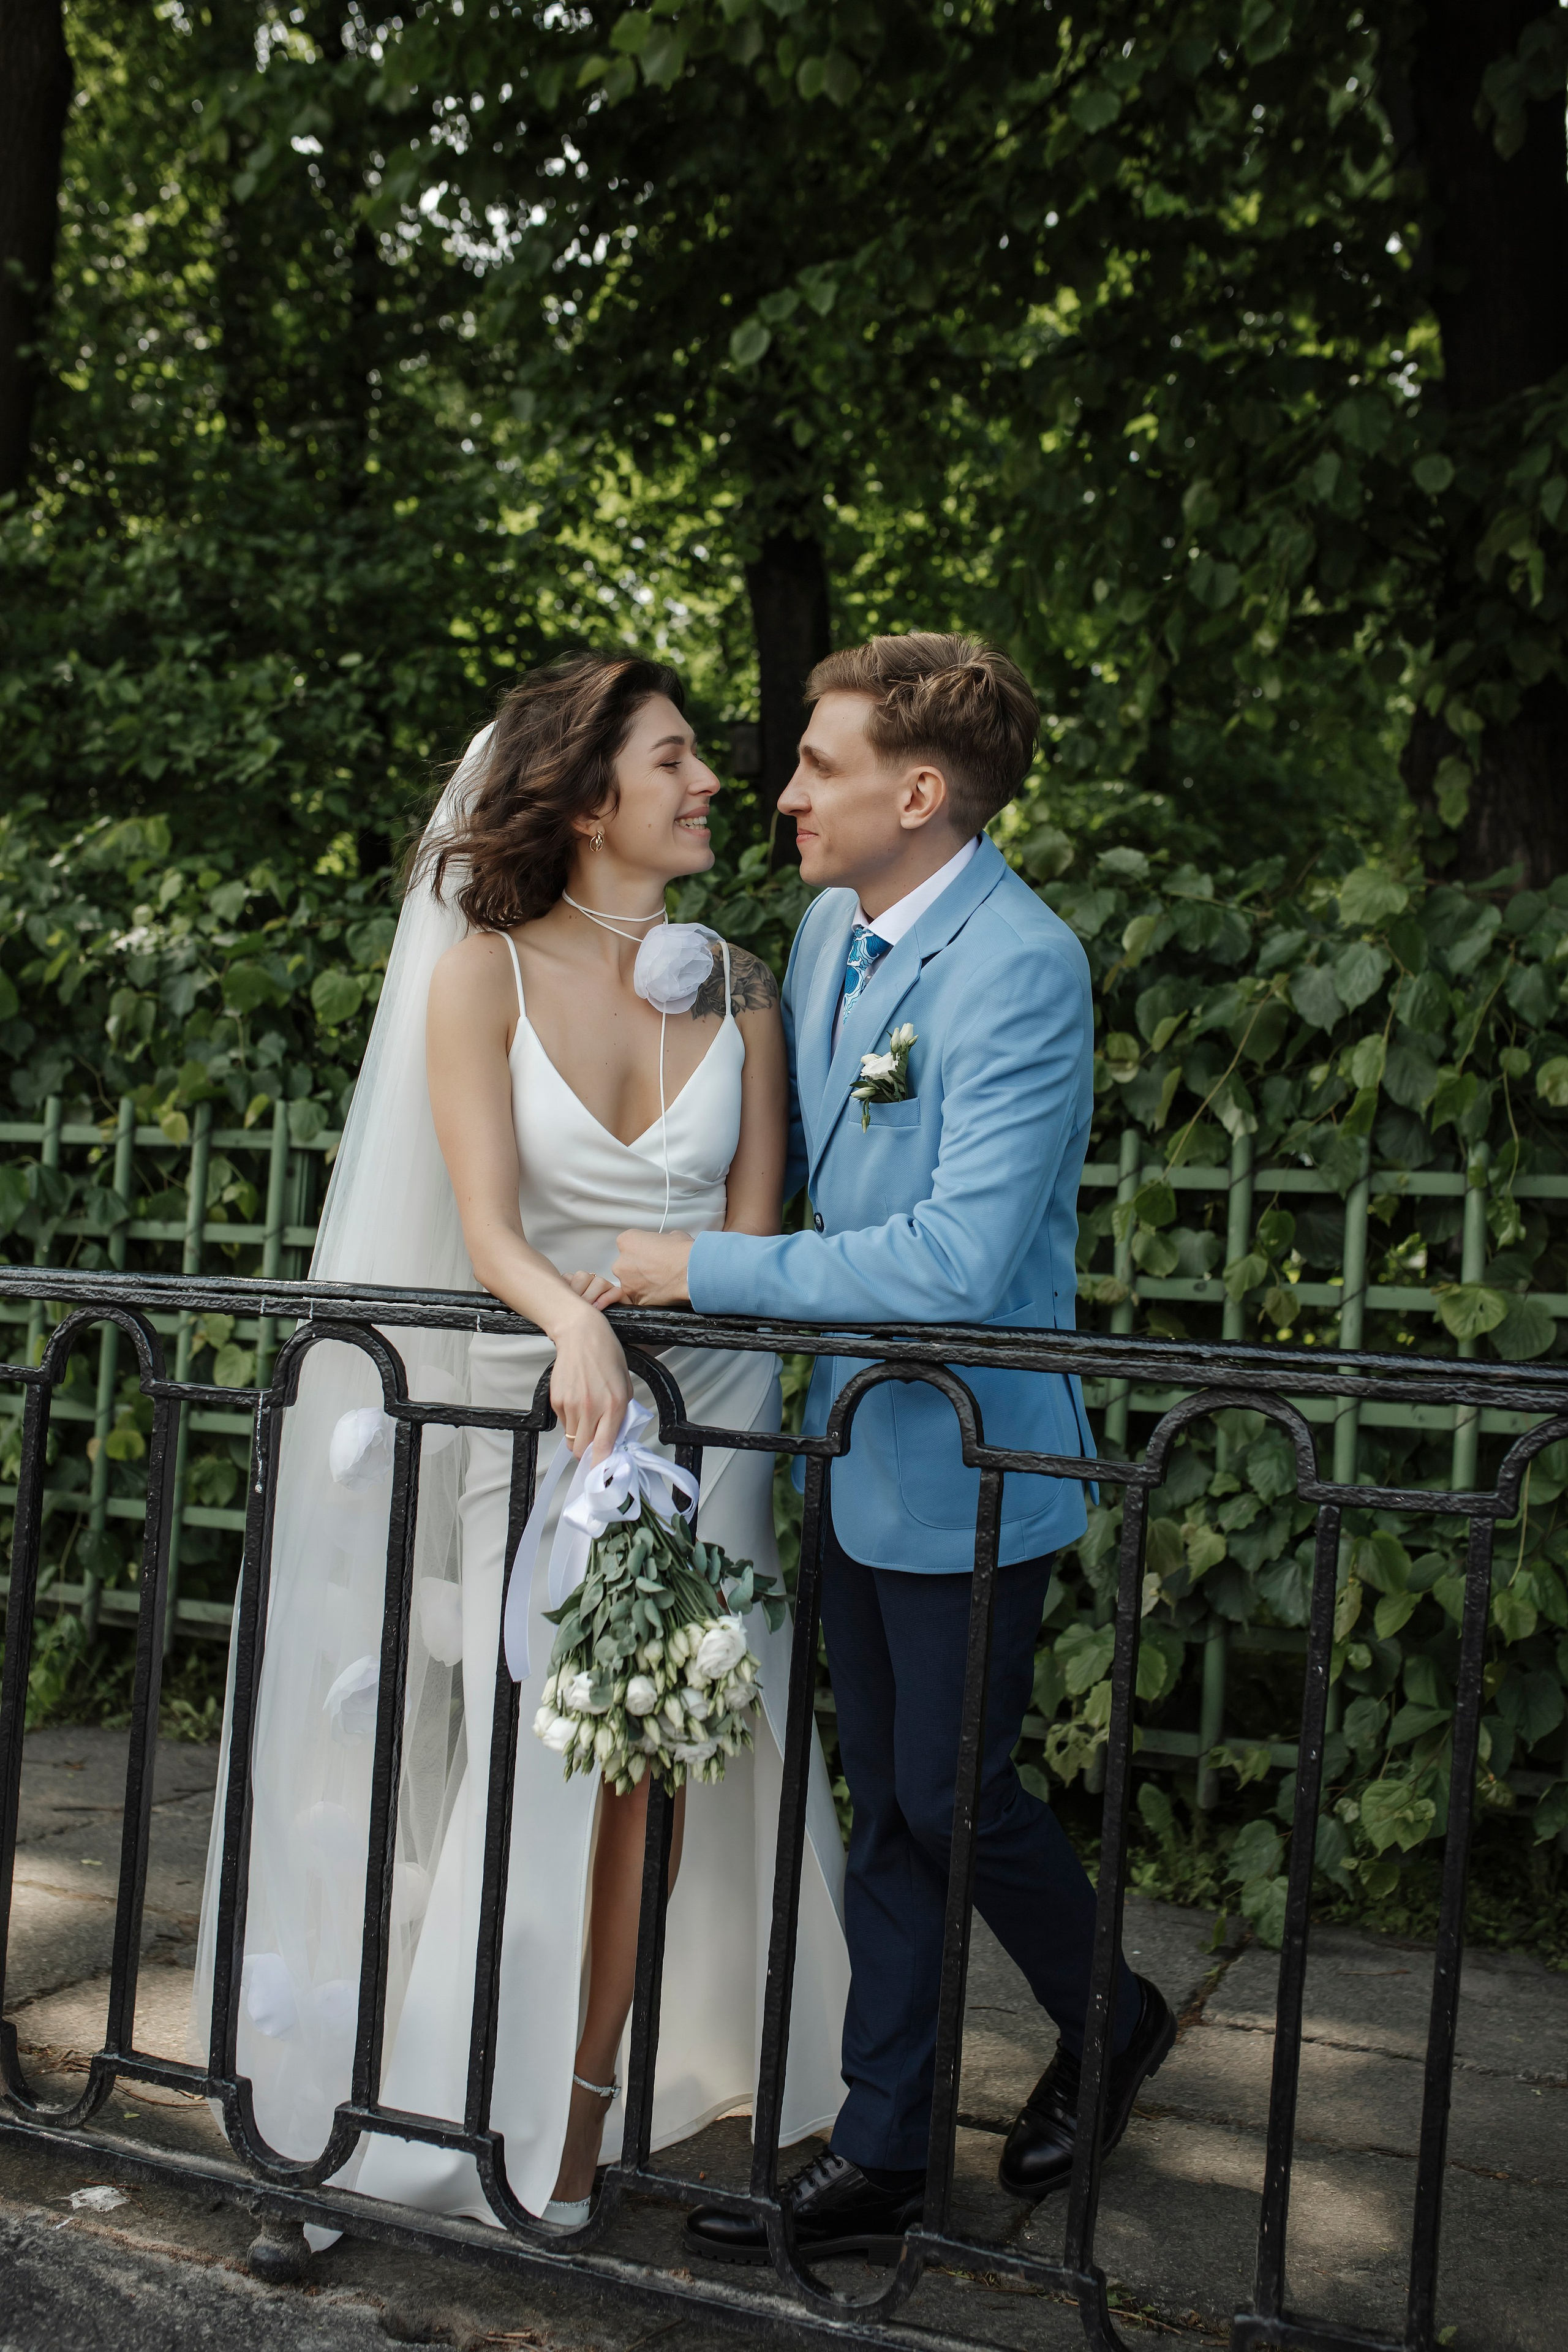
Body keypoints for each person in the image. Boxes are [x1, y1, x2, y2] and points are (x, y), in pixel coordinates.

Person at [189, 651, 848, 2237]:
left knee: (659, 1775)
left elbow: (755, 1235)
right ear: (585, 791)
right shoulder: (480, 969)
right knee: (534, 1766)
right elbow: (488, 1220)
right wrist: (572, 1324)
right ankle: (447, 2101)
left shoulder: (745, 984)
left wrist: (687, 1385)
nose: (712, 786)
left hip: (714, 1432)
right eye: (677, 759)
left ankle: (584, 2113)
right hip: (544, 1410)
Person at [613, 632, 1175, 2264]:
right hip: (847, 1448)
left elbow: (947, 1265)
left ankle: (1109, 2009)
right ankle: (888, 2151)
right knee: (894, 1808)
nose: (784, 792)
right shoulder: (827, 929)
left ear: (920, 792)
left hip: (973, 1461)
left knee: (947, 1791)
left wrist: (695, 1272)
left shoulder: (1025, 964)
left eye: (821, 766)